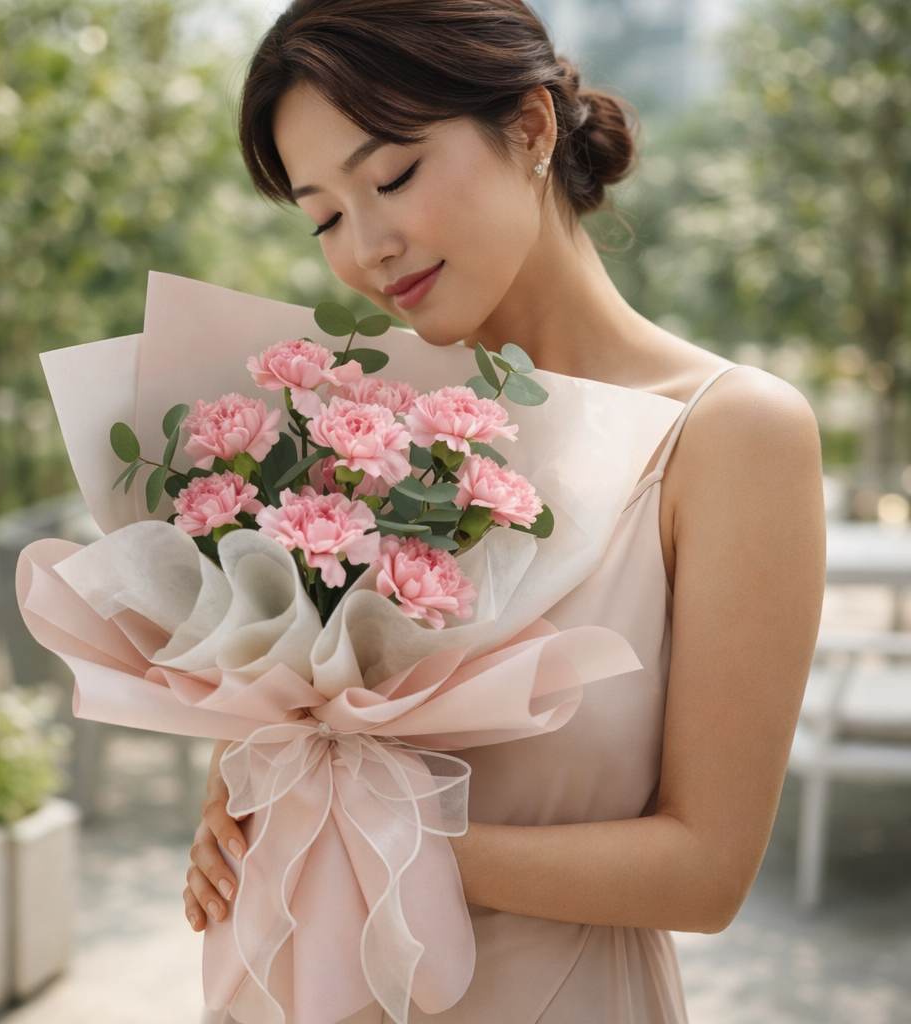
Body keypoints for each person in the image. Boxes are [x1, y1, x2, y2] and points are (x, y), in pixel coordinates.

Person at [183, 1, 826, 1021]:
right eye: (325, 216)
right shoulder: (349, 435)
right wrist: (253, 784)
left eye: (391, 177)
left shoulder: (729, 435)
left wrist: (372, 840)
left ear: (528, 129)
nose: (366, 249)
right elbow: (313, 735)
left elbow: (704, 870)